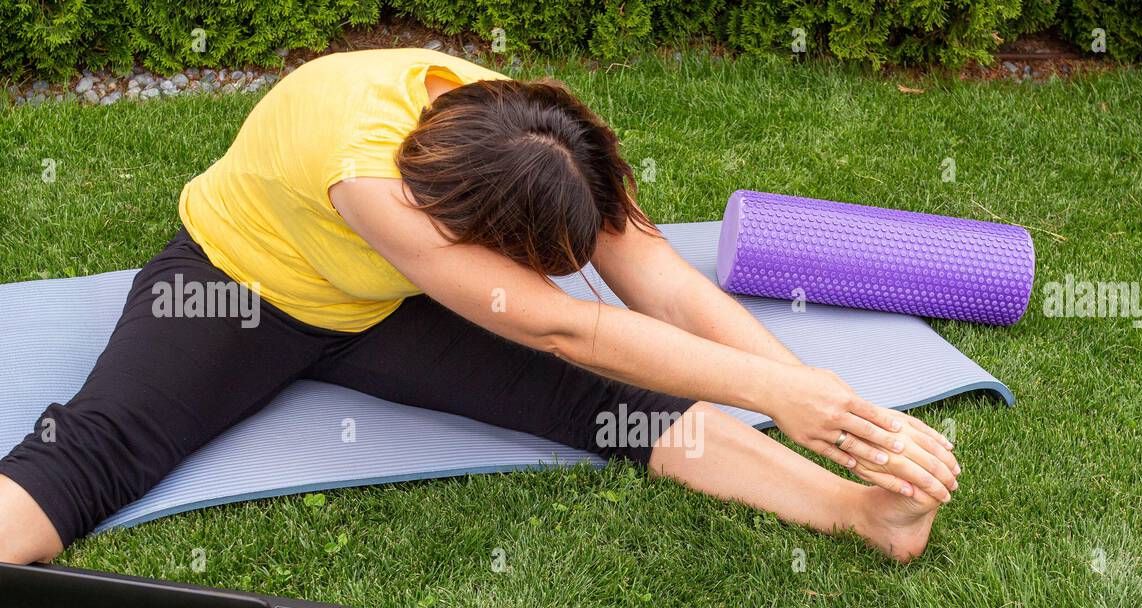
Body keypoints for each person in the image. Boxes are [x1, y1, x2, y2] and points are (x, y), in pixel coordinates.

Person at [0, 48, 959, 566]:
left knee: (603, 410)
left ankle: (865, 518)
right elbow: (564, 322)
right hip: (241, 287)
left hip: (386, 302)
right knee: (98, 449)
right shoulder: (371, 176)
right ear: (462, 227)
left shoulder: (529, 142)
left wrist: (822, 403)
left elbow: (658, 280)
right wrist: (778, 393)